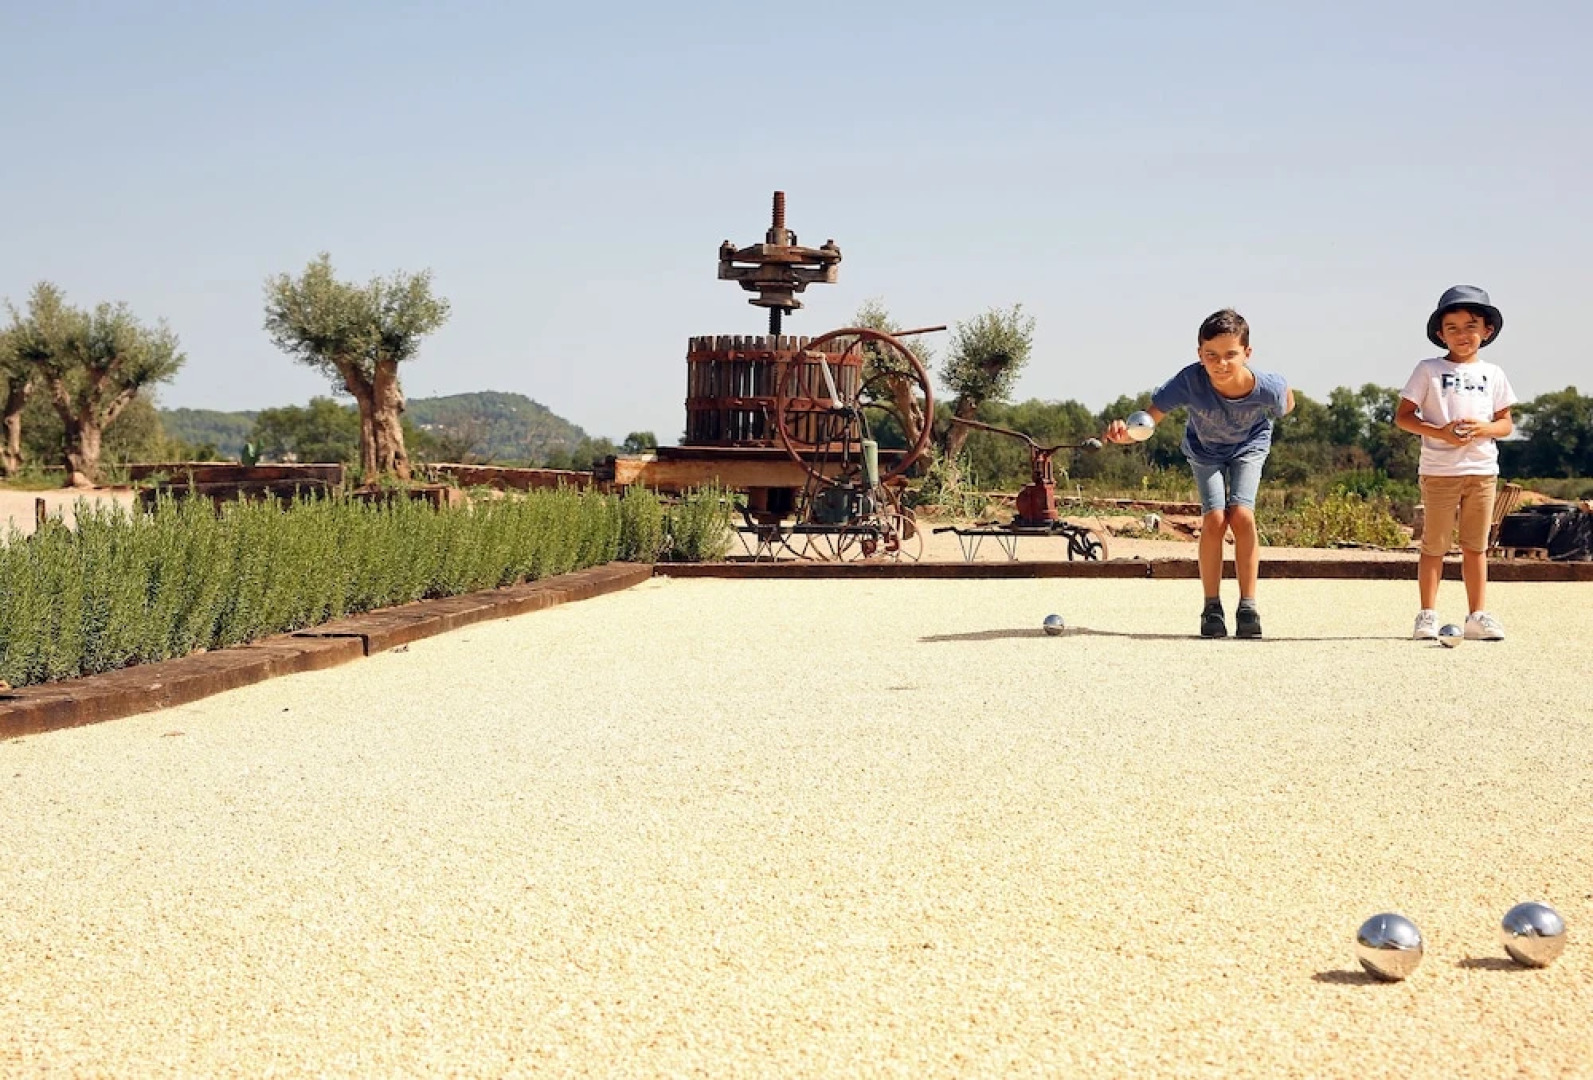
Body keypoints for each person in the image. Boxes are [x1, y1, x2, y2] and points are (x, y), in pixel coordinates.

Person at [1105, 309, 1294, 638]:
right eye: (1212, 356)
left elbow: (1286, 401)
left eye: (1230, 355)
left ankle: (1248, 606)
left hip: (1249, 446)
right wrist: (1125, 434)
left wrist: (1283, 403)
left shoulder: (1267, 388)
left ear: (1247, 354)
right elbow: (1149, 420)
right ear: (1199, 354)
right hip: (1204, 450)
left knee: (1243, 516)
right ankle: (1212, 608)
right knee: (1215, 519)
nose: (1221, 364)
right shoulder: (1189, 381)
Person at [1394, 285, 1518, 641]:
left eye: (1471, 326)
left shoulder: (1494, 373)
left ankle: (1477, 615)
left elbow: (1506, 424)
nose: (1463, 335)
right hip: (1439, 470)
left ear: (1487, 331)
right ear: (1439, 333)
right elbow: (1404, 416)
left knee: (1476, 546)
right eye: (1453, 328)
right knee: (1434, 544)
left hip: (1481, 470)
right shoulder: (1428, 369)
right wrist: (1441, 433)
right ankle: (1427, 615)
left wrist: (1485, 428)